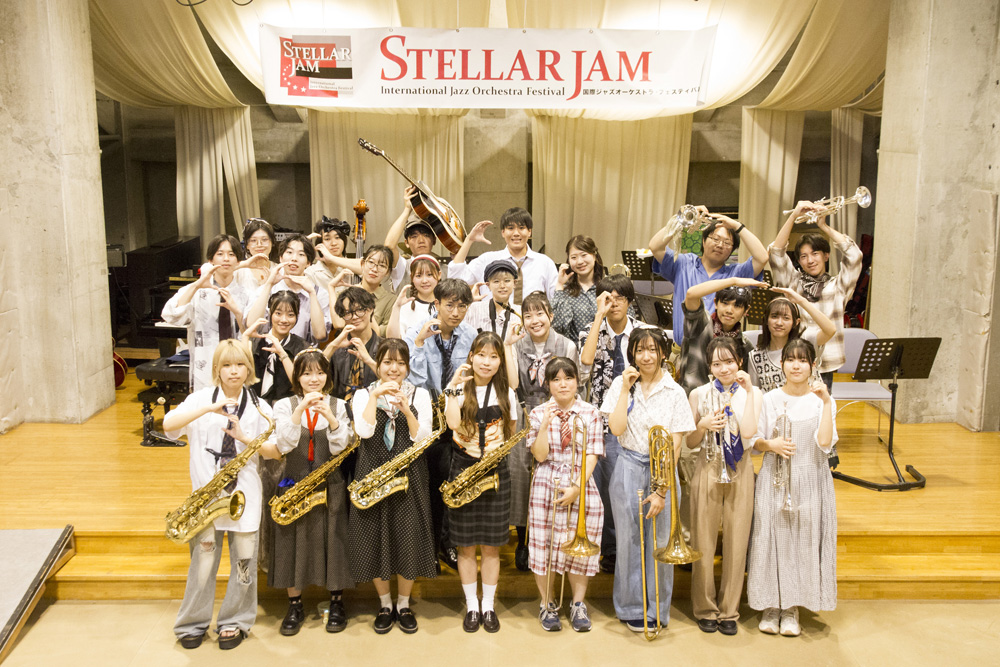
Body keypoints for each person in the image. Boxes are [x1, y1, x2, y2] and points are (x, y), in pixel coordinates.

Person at [164, 339, 281, 651]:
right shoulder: (199, 399)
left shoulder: (260, 407)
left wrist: (245, 437)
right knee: (202, 565)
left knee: (244, 566)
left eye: (240, 364)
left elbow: (275, 451)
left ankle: (235, 621)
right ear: (216, 368)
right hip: (207, 501)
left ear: (249, 368)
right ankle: (192, 624)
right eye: (227, 365)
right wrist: (207, 409)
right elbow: (168, 425)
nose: (234, 371)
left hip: (245, 498)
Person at [600, 328, 695, 633]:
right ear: (632, 354)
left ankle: (657, 609)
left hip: (661, 470)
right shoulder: (621, 384)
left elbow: (675, 445)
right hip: (628, 466)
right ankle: (630, 607)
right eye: (639, 350)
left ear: (663, 353)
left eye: (652, 350)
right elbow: (616, 429)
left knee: (661, 542)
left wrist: (661, 489)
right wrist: (625, 391)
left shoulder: (675, 392)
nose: (646, 356)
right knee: (628, 543)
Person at [746, 338, 837, 637]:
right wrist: (770, 444)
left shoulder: (822, 400)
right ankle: (771, 606)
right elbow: (755, 442)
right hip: (775, 478)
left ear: (813, 365)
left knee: (802, 542)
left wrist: (826, 403)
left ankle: (792, 608)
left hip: (810, 479)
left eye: (803, 360)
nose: (796, 366)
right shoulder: (769, 398)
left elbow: (825, 443)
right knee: (770, 539)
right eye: (790, 360)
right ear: (782, 364)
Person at [349, 339, 437, 634]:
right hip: (372, 471)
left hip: (409, 475)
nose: (394, 369)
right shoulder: (363, 394)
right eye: (387, 362)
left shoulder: (420, 394)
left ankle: (404, 604)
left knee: (408, 537)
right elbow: (364, 431)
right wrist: (375, 397)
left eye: (400, 363)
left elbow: (423, 439)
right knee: (375, 537)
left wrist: (407, 410)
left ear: (407, 367)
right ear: (378, 364)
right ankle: (385, 604)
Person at [270, 349, 354, 635]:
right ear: (297, 377)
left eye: (319, 372)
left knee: (334, 540)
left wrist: (331, 418)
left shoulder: (339, 405)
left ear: (328, 376)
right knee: (291, 541)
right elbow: (283, 444)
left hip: (330, 483)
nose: (314, 379)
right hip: (293, 482)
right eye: (306, 373)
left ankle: (337, 602)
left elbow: (341, 447)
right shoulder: (284, 405)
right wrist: (298, 411)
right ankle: (294, 605)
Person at [442, 331, 520, 633]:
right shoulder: (459, 389)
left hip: (495, 472)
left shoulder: (507, 393)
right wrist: (452, 388)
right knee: (465, 546)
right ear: (471, 357)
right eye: (481, 355)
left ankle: (488, 606)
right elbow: (452, 423)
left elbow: (511, 430)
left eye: (493, 356)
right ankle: (471, 606)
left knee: (491, 546)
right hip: (463, 468)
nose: (486, 362)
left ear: (500, 361)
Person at [686, 338, 760, 636]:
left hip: (740, 468)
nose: (724, 369)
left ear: (739, 362)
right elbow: (690, 442)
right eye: (716, 363)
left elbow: (751, 431)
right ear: (709, 366)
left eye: (729, 362)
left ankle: (729, 609)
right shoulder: (699, 393)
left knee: (736, 542)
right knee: (702, 542)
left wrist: (750, 391)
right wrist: (702, 424)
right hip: (707, 465)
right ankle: (705, 608)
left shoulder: (753, 393)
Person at [404, 278, 479, 570]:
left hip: (456, 416)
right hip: (425, 417)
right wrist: (419, 343)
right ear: (436, 304)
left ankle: (448, 543)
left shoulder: (470, 334)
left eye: (462, 306)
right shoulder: (416, 332)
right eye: (450, 305)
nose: (456, 312)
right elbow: (415, 380)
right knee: (426, 485)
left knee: (453, 483)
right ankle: (428, 546)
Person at [527, 357, 603, 633]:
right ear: (548, 384)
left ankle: (578, 604)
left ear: (577, 381)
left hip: (580, 481)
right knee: (543, 546)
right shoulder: (538, 413)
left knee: (579, 549)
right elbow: (539, 455)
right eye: (556, 379)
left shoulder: (590, 413)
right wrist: (545, 426)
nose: (563, 384)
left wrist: (576, 488)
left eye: (568, 378)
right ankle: (547, 604)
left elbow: (593, 453)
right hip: (546, 482)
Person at [577, 273, 644, 573]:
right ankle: (610, 549)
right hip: (599, 421)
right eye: (607, 297)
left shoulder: (642, 333)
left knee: (627, 488)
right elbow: (586, 360)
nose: (613, 303)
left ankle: (629, 547)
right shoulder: (590, 331)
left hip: (634, 420)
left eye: (619, 297)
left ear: (630, 301)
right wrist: (598, 316)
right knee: (603, 487)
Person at [511, 291, 577, 571]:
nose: (534, 320)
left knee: (552, 472)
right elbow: (512, 384)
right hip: (524, 412)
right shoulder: (516, 345)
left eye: (540, 313)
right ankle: (523, 539)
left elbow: (572, 385)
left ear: (550, 315)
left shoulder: (566, 345)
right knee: (520, 474)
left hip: (556, 411)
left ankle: (554, 537)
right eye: (528, 315)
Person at [769, 201, 864, 391]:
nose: (810, 260)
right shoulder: (794, 283)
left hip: (826, 361)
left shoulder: (838, 286)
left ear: (826, 256)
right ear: (799, 261)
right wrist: (793, 216)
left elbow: (854, 255)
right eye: (803, 256)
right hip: (796, 359)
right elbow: (776, 254)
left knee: (822, 407)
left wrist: (824, 226)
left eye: (815, 254)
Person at [648, 210, 768, 345]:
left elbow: (762, 258)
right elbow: (655, 246)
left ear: (732, 250)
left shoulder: (737, 273)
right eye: (715, 239)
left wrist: (737, 226)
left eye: (727, 242)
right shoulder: (684, 263)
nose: (720, 245)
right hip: (682, 351)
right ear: (704, 241)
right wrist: (683, 217)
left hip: (719, 352)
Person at [162, 234, 253, 391]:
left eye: (231, 254)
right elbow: (170, 315)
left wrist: (237, 312)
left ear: (238, 261)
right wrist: (196, 285)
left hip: (237, 369)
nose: (226, 259)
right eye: (220, 254)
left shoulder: (247, 294)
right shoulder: (196, 291)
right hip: (204, 369)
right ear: (211, 260)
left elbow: (252, 334)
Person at [447, 207, 559, 304]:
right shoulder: (487, 260)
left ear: (529, 232)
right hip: (492, 321)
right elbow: (455, 280)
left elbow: (555, 300)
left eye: (521, 228)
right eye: (510, 228)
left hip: (532, 320)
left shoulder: (544, 262)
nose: (516, 233)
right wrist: (469, 240)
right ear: (503, 232)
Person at [677, 276, 765, 394]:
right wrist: (733, 280)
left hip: (727, 401)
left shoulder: (744, 344)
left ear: (746, 311)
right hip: (692, 397)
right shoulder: (701, 324)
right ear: (716, 303)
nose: (729, 310)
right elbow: (691, 294)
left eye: (737, 306)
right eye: (725, 303)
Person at [245, 234, 330, 345]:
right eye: (289, 252)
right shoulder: (267, 289)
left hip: (304, 354)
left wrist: (312, 294)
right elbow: (252, 324)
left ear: (308, 263)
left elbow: (320, 335)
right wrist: (269, 284)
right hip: (268, 352)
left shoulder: (319, 294)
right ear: (281, 258)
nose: (294, 258)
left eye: (301, 254)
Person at [749, 289, 837, 393]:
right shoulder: (755, 356)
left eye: (786, 318)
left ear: (796, 322)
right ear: (766, 320)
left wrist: (801, 301)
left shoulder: (805, 342)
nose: (779, 323)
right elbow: (754, 393)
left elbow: (830, 330)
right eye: (774, 317)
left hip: (813, 402)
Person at [242, 291, 307, 405]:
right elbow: (242, 376)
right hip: (255, 406)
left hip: (289, 408)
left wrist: (283, 354)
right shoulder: (256, 342)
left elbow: (303, 385)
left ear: (297, 316)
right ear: (270, 313)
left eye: (290, 315)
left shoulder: (302, 347)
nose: (284, 320)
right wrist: (245, 337)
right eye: (278, 313)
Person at [324, 287, 381, 404]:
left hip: (377, 409)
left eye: (359, 310)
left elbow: (394, 381)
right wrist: (333, 346)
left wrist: (369, 361)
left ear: (370, 309)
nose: (354, 317)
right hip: (340, 409)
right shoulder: (335, 348)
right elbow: (312, 371)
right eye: (348, 313)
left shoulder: (385, 348)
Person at [328, 245, 395, 335]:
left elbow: (378, 334)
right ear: (362, 264)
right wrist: (331, 287)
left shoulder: (391, 300)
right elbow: (339, 324)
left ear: (388, 272)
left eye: (382, 266)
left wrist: (363, 298)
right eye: (371, 262)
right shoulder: (345, 295)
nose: (374, 269)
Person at [551, 235, 607, 343]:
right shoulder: (565, 291)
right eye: (574, 257)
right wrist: (559, 285)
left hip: (605, 350)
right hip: (574, 350)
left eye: (584, 255)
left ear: (594, 256)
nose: (579, 261)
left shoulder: (607, 288)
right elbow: (557, 328)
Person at [386, 255, 441, 339]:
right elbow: (393, 340)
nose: (424, 281)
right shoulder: (405, 308)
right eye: (418, 276)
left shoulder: (447, 306)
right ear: (412, 277)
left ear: (439, 275)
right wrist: (396, 307)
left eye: (429, 274)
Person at [465, 259, 522, 338]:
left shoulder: (520, 312)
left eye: (507, 281)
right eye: (496, 281)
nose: (502, 286)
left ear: (514, 283)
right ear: (488, 285)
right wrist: (468, 301)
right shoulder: (473, 309)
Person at [306, 216, 354, 292]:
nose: (334, 243)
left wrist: (333, 259)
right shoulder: (311, 272)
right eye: (327, 239)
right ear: (320, 243)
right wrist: (302, 244)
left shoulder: (354, 268)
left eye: (337, 237)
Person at [233, 218, 278, 290]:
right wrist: (244, 264)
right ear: (247, 245)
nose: (259, 244)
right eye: (253, 240)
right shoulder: (238, 271)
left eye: (264, 239)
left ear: (272, 242)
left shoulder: (279, 270)